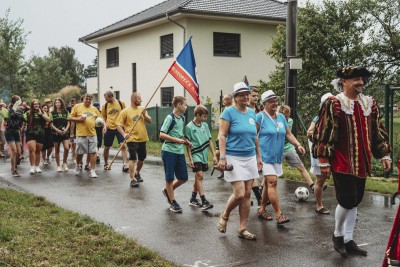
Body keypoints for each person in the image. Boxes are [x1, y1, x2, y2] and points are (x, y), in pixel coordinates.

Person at [312, 66, 392, 257]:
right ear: (344, 81)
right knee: (347, 200)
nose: (361, 82)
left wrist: (384, 155)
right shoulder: (334, 103)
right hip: (341, 161)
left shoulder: (369, 103)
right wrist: (323, 160)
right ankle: (338, 236)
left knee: (355, 200)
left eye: (362, 79)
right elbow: (324, 132)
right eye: (356, 79)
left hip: (361, 161)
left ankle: (348, 239)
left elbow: (377, 131)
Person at [217, 82, 262, 240]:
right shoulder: (228, 112)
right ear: (235, 97)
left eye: (246, 94)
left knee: (248, 193)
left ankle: (242, 228)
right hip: (233, 157)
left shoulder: (252, 113)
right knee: (239, 193)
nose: (245, 97)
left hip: (249, 157)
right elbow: (221, 135)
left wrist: (259, 157)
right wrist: (222, 157)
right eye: (241, 94)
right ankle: (225, 215)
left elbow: (255, 137)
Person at [256, 90, 306, 224]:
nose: (275, 103)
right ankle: (279, 214)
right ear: (264, 103)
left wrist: (297, 145)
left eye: (276, 100)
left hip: (276, 156)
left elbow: (288, 134)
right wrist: (257, 157)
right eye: (271, 101)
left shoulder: (281, 117)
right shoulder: (260, 117)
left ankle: (261, 209)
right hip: (264, 156)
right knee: (272, 181)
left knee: (267, 183)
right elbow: (252, 136)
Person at [160, 96, 192, 213]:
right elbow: (162, 134)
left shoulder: (182, 118)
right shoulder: (170, 117)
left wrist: (186, 140)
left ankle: (167, 191)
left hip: (179, 152)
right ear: (179, 105)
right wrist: (175, 140)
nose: (186, 107)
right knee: (169, 178)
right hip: (169, 151)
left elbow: (179, 133)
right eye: (185, 104)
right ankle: (173, 202)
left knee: (183, 177)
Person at [185, 104, 218, 210]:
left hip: (204, 155)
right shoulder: (189, 127)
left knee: (197, 177)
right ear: (198, 115)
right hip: (196, 155)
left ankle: (192, 198)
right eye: (204, 116)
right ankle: (204, 201)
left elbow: (209, 141)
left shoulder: (205, 126)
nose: (205, 118)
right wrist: (190, 158)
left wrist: (213, 156)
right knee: (200, 175)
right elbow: (187, 145)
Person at [117, 92, 152, 188]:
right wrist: (124, 134)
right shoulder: (125, 111)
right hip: (132, 138)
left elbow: (150, 121)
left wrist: (145, 115)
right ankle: (132, 179)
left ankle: (137, 173)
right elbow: (118, 125)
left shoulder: (142, 109)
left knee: (142, 158)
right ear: (133, 100)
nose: (141, 100)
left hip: (143, 138)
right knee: (133, 158)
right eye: (139, 99)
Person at [279, 105, 316, 193]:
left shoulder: (290, 121)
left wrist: (297, 145)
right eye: (285, 116)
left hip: (288, 148)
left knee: (301, 167)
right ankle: (260, 190)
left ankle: (313, 186)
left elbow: (289, 135)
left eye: (288, 116)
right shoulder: (275, 121)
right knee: (272, 173)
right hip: (278, 150)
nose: (287, 118)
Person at [306, 93, 333, 215]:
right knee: (320, 180)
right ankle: (319, 206)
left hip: (334, 152)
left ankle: (347, 207)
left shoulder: (338, 116)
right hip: (320, 152)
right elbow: (309, 132)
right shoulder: (318, 117)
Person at [69, 93, 103, 178]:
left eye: (89, 99)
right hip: (81, 134)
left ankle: (92, 171)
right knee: (79, 153)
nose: (88, 100)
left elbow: (100, 119)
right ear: (83, 99)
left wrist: (102, 124)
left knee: (93, 152)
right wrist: (79, 119)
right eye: (86, 99)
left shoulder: (94, 109)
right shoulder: (77, 107)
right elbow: (70, 118)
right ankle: (77, 166)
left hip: (92, 134)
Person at [101, 91, 128, 171]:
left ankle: (124, 165)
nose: (106, 100)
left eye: (107, 99)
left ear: (111, 96)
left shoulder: (121, 103)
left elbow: (125, 115)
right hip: (109, 128)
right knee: (106, 147)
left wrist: (126, 127)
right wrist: (105, 125)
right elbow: (103, 117)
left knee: (123, 145)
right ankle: (106, 163)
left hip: (119, 128)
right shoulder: (105, 106)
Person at [24, 99, 51, 174]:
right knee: (32, 150)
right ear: (32, 105)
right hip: (30, 133)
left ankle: (37, 166)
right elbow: (23, 120)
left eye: (37, 104)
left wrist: (41, 114)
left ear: (39, 105)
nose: (36, 105)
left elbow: (49, 120)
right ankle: (32, 167)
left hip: (40, 133)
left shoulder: (43, 112)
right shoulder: (27, 113)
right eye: (34, 104)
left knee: (38, 151)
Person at [4, 95, 24, 177]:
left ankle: (16, 162)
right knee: (14, 151)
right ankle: (13, 169)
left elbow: (21, 119)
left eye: (19, 101)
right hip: (9, 132)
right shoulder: (8, 110)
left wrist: (16, 113)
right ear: (13, 102)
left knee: (19, 153)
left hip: (16, 132)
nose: (18, 102)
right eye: (16, 101)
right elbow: (5, 120)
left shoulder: (20, 110)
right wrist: (12, 111)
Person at [215, 94, 232, 179]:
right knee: (217, 153)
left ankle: (227, 169)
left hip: (227, 137)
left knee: (225, 153)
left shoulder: (231, 110)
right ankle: (222, 170)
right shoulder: (223, 109)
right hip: (220, 135)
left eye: (225, 99)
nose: (224, 101)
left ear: (230, 100)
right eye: (223, 99)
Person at [50, 97, 70, 172]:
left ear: (61, 103)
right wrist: (57, 130)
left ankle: (64, 163)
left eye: (59, 102)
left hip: (64, 133)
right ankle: (58, 165)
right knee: (57, 149)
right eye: (56, 103)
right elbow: (51, 124)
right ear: (54, 104)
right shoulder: (52, 113)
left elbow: (68, 122)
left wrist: (66, 129)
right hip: (56, 133)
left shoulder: (66, 112)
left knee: (67, 148)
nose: (58, 104)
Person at [68, 98, 77, 165]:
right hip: (69, 129)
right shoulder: (67, 109)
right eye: (71, 103)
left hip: (77, 129)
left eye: (74, 103)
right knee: (71, 145)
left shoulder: (77, 109)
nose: (72, 104)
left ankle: (75, 157)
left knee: (75, 144)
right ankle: (73, 156)